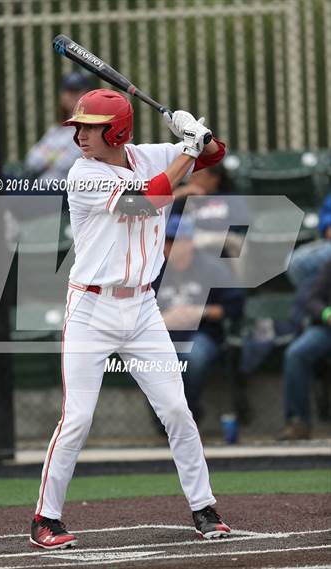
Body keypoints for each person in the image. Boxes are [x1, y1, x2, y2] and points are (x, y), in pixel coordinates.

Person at [30, 89, 232, 550]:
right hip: (91, 310)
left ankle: (204, 508)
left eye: (91, 126)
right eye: (78, 125)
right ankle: (46, 518)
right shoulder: (83, 174)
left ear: (117, 130)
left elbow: (215, 155)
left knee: (177, 410)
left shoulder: (146, 154)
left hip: (142, 309)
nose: (79, 134)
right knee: (77, 418)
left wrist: (196, 133)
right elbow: (152, 199)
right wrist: (187, 149)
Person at [157, 214, 245, 423]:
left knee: (192, 358)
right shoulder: (153, 270)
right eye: (166, 241)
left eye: (175, 240)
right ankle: (166, 418)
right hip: (163, 335)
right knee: (150, 362)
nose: (170, 246)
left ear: (189, 242)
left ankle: (187, 414)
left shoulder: (211, 268)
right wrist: (161, 319)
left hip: (202, 333)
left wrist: (200, 312)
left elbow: (235, 305)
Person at [279, 259, 331, 440]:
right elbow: (313, 300)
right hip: (327, 329)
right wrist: (326, 313)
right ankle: (298, 422)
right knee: (296, 354)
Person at [25, 72, 92, 184]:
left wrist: (46, 152)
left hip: (67, 190)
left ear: (86, 95)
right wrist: (58, 154)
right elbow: (31, 160)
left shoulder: (90, 128)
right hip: (43, 187)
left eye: (76, 91)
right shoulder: (56, 129)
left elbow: (68, 163)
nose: (72, 96)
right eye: (68, 91)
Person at [172, 164, 249, 257]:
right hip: (193, 238)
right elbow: (169, 221)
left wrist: (210, 226)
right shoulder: (184, 198)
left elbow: (241, 222)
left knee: (238, 243)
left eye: (198, 176)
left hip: (223, 237)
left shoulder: (230, 197)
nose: (192, 181)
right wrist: (179, 194)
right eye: (191, 177)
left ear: (214, 178)